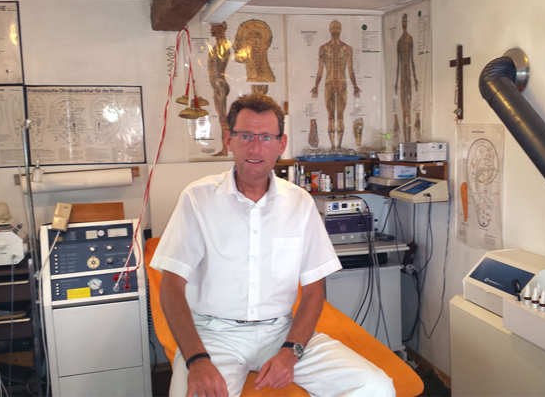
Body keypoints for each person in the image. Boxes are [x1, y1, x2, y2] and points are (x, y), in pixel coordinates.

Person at [151, 94, 395, 397]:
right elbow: (171, 287)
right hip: (215, 335)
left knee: (377, 387)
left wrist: (291, 351)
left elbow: (314, 292)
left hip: (280, 332)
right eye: (245, 136)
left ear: (281, 144)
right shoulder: (197, 198)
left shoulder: (300, 203)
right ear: (229, 139)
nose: (255, 147)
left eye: (266, 137)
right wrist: (197, 360)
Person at [310, 20, 361, 150]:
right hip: (329, 84)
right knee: (331, 117)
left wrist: (355, 85)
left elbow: (350, 69)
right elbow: (320, 70)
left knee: (341, 117)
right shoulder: (323, 48)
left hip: (342, 83)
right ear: (329, 30)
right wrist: (316, 86)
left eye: (337, 28)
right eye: (333, 28)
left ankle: (339, 146)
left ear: (340, 30)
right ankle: (333, 146)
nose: (335, 30)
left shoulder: (347, 49)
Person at [394, 13, 419, 143]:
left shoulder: (410, 39)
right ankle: (405, 140)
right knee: (404, 111)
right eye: (402, 21)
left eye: (405, 21)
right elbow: (398, 64)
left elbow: (412, 60)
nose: (404, 23)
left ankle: (409, 140)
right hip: (402, 77)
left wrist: (414, 78)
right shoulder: (398, 42)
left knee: (408, 110)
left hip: (408, 75)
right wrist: (395, 82)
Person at [208, 22, 231, 157]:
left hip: (219, 85)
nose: (212, 29)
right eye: (212, 27)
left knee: (223, 120)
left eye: (216, 27)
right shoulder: (218, 45)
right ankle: (225, 149)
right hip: (217, 84)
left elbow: (218, 67)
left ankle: (225, 149)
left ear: (222, 29)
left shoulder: (222, 45)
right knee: (221, 119)